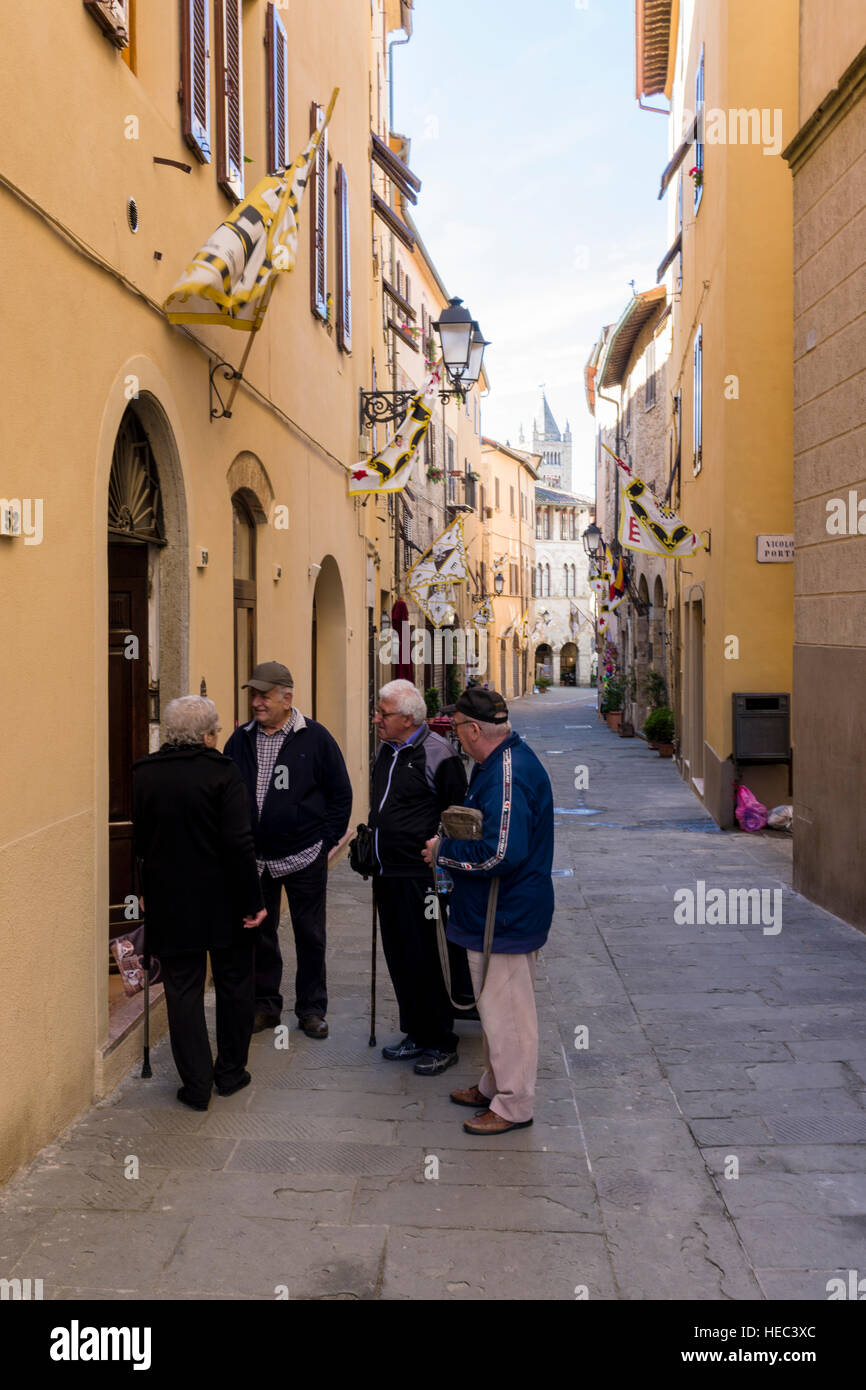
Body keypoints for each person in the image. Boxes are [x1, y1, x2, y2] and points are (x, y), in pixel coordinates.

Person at [423, 687, 554, 1135]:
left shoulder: (506, 774)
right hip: (493, 913)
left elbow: (501, 853)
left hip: (507, 915)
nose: (454, 734)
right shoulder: (494, 765)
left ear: (475, 729)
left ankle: (514, 1104)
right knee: (495, 1009)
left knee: (510, 1015)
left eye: (457, 726)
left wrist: (444, 851)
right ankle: (495, 1084)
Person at [132, 696, 266, 1111]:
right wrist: (253, 902)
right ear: (208, 735)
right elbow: (239, 843)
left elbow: (139, 841)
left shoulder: (144, 773)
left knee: (182, 990)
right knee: (233, 984)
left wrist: (141, 890)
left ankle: (195, 1085)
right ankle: (230, 1072)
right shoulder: (223, 772)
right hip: (225, 899)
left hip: (172, 901)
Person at [224, 662, 352, 1039]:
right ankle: (265, 1005)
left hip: (303, 855)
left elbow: (340, 795)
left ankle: (311, 1009)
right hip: (255, 858)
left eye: (264, 695)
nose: (257, 702)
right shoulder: (241, 739)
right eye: (253, 695)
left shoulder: (315, 738)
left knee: (309, 934)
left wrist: (324, 843)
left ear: (287, 697)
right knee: (261, 935)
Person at [370, 680, 469, 1076]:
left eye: (384, 714)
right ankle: (415, 1030)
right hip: (387, 873)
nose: (376, 719)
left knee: (428, 958)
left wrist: (440, 853)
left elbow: (457, 815)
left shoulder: (439, 755)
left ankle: (442, 1040)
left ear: (408, 719)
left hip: (422, 877)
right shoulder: (386, 750)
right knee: (399, 956)